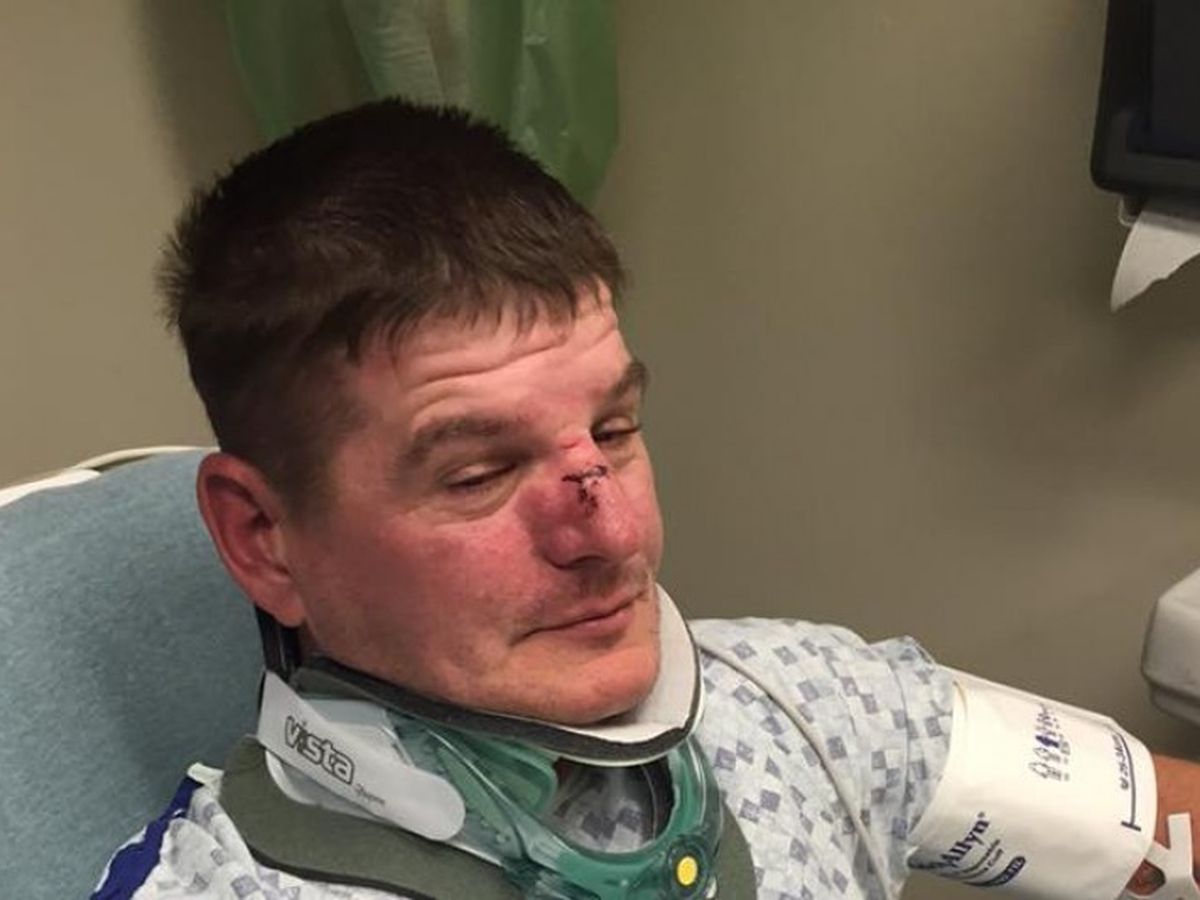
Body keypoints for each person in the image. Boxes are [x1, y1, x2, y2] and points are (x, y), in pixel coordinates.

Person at [92, 99, 1197, 900]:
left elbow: (1167, 829)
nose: (617, 536)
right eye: (478, 474)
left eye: (614, 431)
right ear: (262, 538)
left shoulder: (806, 702)